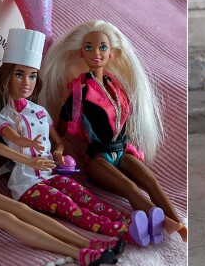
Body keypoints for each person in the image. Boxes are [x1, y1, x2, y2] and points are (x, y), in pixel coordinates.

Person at [0, 32, 117, 266]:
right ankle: (80, 254)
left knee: (22, 210)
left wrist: (30, 161)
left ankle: (89, 242)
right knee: (9, 220)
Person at [0, 28, 159, 247]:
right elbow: (11, 137)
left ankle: (134, 220)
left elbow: (56, 139)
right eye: (19, 75)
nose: (26, 83)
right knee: (70, 207)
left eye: (31, 76)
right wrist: (28, 144)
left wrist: (58, 152)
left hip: (50, 174)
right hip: (27, 183)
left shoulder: (39, 111)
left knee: (85, 196)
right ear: (6, 77)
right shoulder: (4, 116)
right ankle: (125, 230)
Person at [39, 20, 186, 243]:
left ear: (113, 54)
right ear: (81, 53)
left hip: (122, 150)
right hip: (97, 157)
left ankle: (181, 225)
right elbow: (58, 129)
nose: (95, 53)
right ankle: (165, 224)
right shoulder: (77, 94)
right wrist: (57, 149)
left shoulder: (116, 88)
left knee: (151, 182)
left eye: (102, 47)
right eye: (89, 47)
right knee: (130, 188)